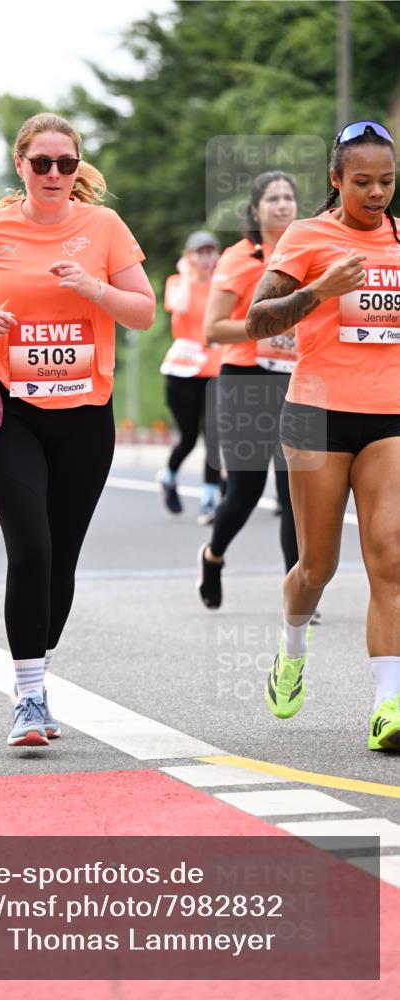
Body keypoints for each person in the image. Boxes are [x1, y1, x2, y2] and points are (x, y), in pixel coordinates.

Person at [0, 112, 155, 747]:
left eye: (66, 163)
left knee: (61, 558)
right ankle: (29, 697)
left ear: (77, 167)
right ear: (21, 166)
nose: (55, 173)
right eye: (42, 163)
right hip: (10, 412)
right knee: (30, 547)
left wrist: (95, 288)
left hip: (85, 417)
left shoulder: (104, 228)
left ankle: (39, 666)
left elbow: (144, 312)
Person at [246, 121, 400, 751]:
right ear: (336, 180)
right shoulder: (307, 236)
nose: (376, 193)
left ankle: (388, 706)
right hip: (316, 413)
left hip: (389, 416)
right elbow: (257, 321)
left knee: (391, 556)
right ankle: (291, 648)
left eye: (386, 180)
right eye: (362, 181)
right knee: (317, 566)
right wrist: (320, 289)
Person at [197, 171, 299, 610]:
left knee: (297, 494)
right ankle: (213, 555)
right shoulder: (239, 258)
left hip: (297, 381)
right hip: (246, 380)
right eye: (272, 198)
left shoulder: (308, 252)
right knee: (244, 493)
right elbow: (213, 329)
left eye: (289, 197)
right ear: (255, 210)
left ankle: (298, 595)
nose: (282, 205)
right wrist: (268, 326)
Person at [158, 230, 222, 523]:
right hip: (183, 371)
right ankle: (169, 476)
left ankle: (209, 501)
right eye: (200, 252)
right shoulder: (176, 282)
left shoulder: (222, 285)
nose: (205, 258)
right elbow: (180, 305)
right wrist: (185, 274)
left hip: (216, 369)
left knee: (214, 437)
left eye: (210, 252)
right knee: (188, 438)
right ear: (189, 256)